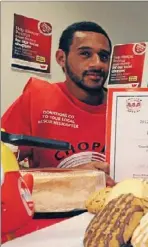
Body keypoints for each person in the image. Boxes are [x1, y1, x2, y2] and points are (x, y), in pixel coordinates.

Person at [1, 21, 115, 186]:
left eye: (103, 56)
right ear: (61, 58)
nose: (97, 63)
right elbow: (3, 169)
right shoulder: (36, 99)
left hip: (117, 208)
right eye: (85, 54)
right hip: (49, 209)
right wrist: (70, 176)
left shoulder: (125, 107)